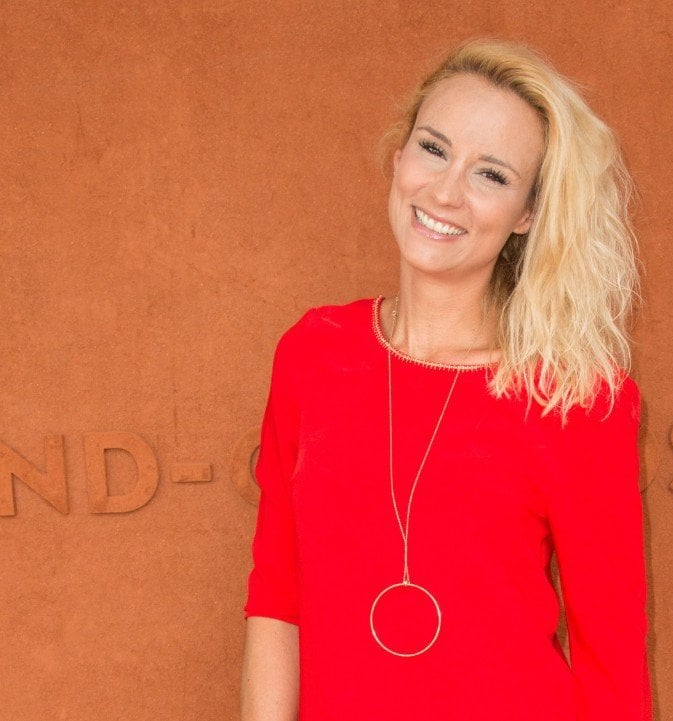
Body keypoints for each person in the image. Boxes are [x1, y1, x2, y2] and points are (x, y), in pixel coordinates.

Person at [239, 37, 651, 721]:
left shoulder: (574, 397)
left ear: (527, 214)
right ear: (399, 156)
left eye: (491, 174)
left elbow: (611, 663)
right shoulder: (313, 353)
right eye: (434, 149)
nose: (446, 191)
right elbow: (277, 597)